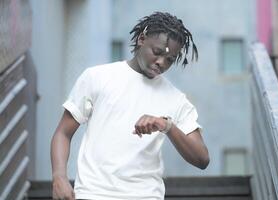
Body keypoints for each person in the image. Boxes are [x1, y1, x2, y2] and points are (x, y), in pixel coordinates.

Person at [51, 11, 209, 200]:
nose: (161, 63)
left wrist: (167, 126)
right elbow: (63, 133)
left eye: (170, 60)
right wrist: (59, 177)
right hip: (93, 194)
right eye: (157, 53)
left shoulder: (176, 99)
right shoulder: (97, 77)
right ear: (142, 39)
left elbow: (202, 158)